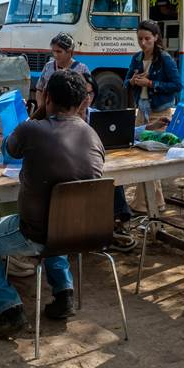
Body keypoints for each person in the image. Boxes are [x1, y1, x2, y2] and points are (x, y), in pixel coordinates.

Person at [0, 69, 105, 340]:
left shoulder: (32, 129)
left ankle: (10, 310)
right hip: (83, 232)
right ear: (80, 103)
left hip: (36, 232)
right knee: (58, 222)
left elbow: (8, 149)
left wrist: (37, 113)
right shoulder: (92, 136)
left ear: (47, 97)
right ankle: (64, 294)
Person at [81, 72, 136, 252]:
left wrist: (148, 128)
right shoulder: (65, 119)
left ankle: (116, 224)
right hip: (80, 171)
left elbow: (123, 131)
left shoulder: (97, 116)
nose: (87, 98)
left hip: (100, 166)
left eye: (90, 93)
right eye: (83, 93)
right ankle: (111, 226)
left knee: (112, 178)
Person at [124, 20, 181, 124]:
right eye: (140, 39)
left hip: (160, 113)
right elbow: (126, 83)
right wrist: (132, 81)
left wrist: (150, 83)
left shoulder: (165, 58)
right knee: (138, 140)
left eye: (147, 38)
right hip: (141, 112)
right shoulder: (136, 57)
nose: (143, 43)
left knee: (156, 140)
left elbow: (177, 85)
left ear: (155, 37)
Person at [35, 32, 89, 110]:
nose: (55, 55)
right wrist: (41, 107)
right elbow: (39, 89)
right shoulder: (48, 66)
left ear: (69, 52)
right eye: (53, 51)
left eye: (59, 51)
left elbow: (88, 94)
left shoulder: (81, 69)